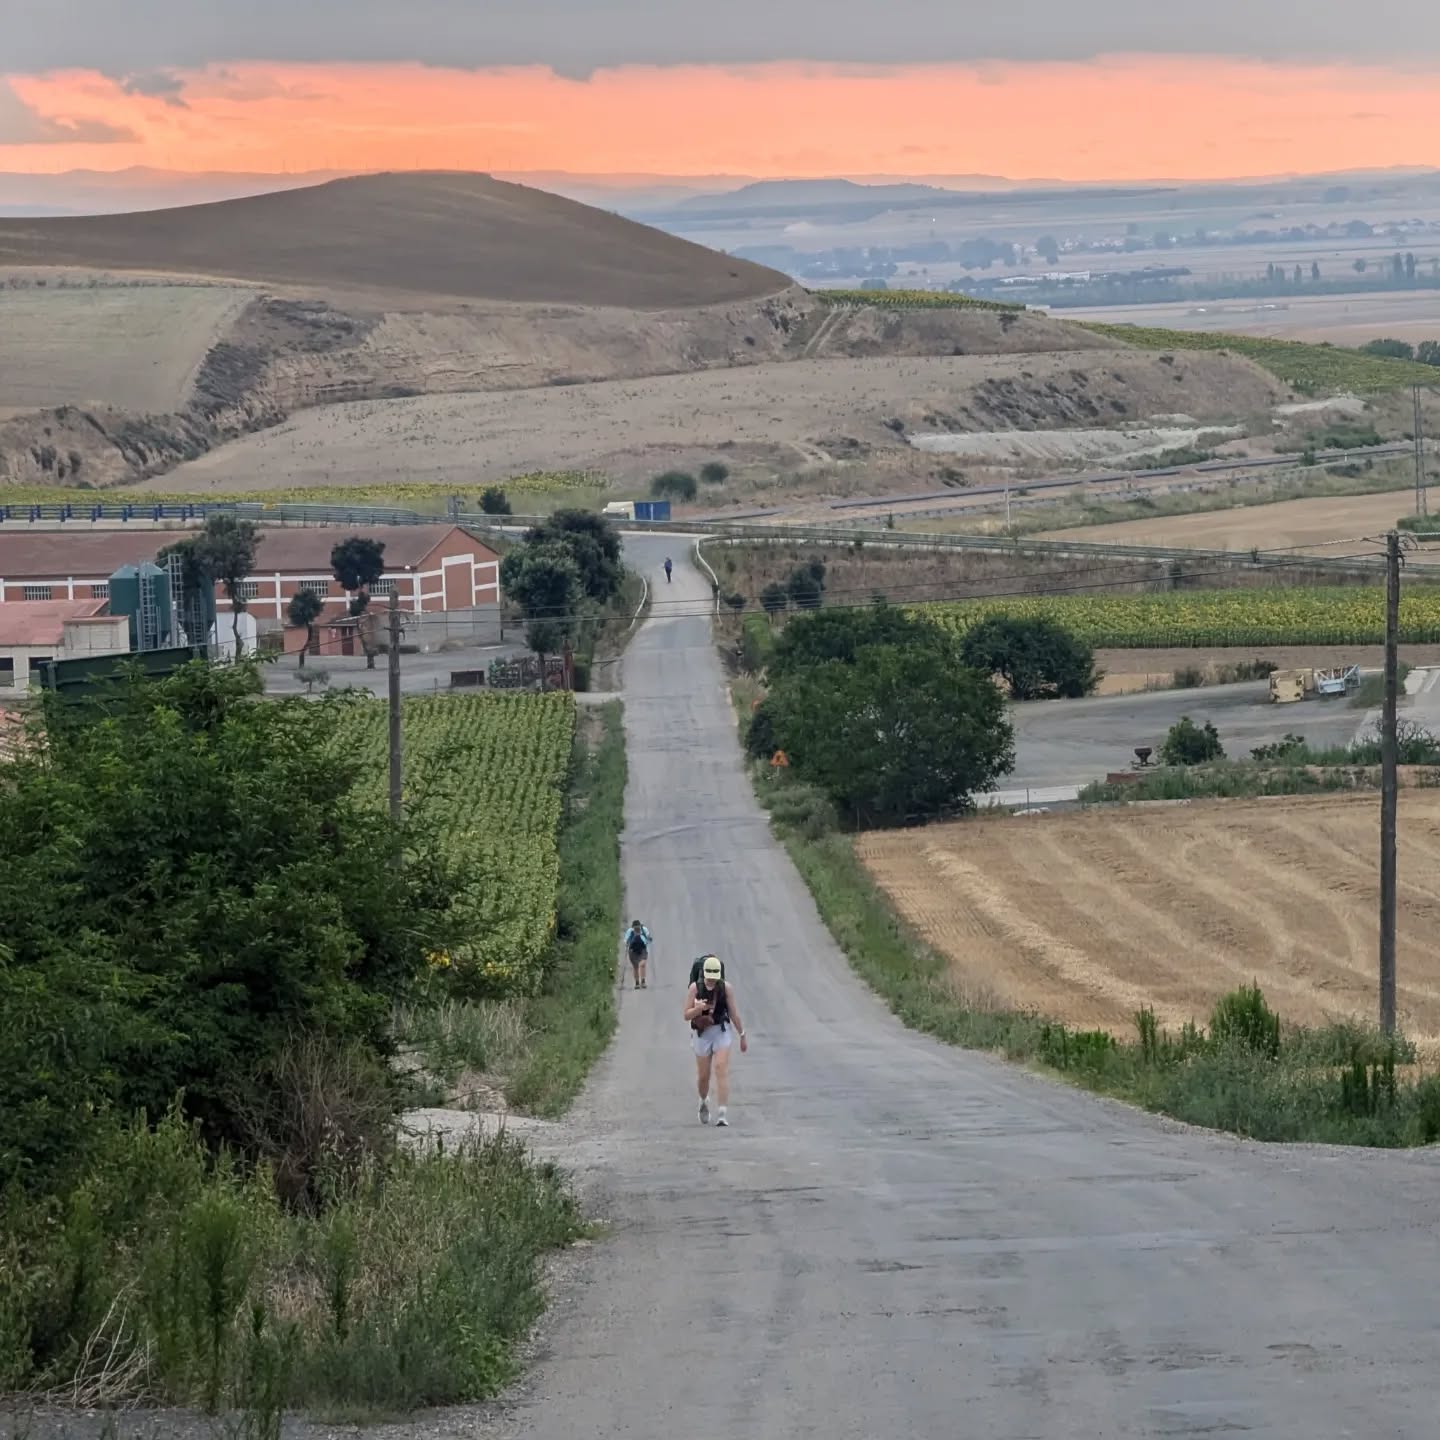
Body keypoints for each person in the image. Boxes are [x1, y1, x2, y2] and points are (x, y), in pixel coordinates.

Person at [683, 954, 747, 1126]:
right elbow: (686, 1015)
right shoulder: (695, 988)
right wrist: (698, 1009)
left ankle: (722, 1113)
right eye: (709, 977)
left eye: (714, 977)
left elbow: (733, 1013)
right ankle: (703, 1101)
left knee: (721, 1068)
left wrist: (742, 1034)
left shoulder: (725, 988)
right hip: (702, 1033)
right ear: (703, 974)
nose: (711, 980)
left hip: (721, 1030)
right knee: (703, 1076)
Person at [623, 919, 652, 989]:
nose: (636, 929)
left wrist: (649, 939)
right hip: (633, 951)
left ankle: (643, 981)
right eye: (635, 928)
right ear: (633, 928)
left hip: (643, 949)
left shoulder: (644, 929)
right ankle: (637, 983)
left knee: (642, 964)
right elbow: (626, 941)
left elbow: (648, 937)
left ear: (640, 926)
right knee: (635, 967)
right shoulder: (630, 931)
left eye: (638, 928)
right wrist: (628, 943)